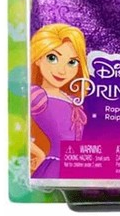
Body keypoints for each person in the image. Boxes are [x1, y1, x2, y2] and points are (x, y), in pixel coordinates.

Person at [30, 23, 89, 178]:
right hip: (54, 167)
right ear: (38, 58)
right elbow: (18, 129)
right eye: (52, 58)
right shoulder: (37, 94)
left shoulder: (72, 99)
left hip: (76, 166)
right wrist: (38, 153)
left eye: (72, 62)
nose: (62, 70)